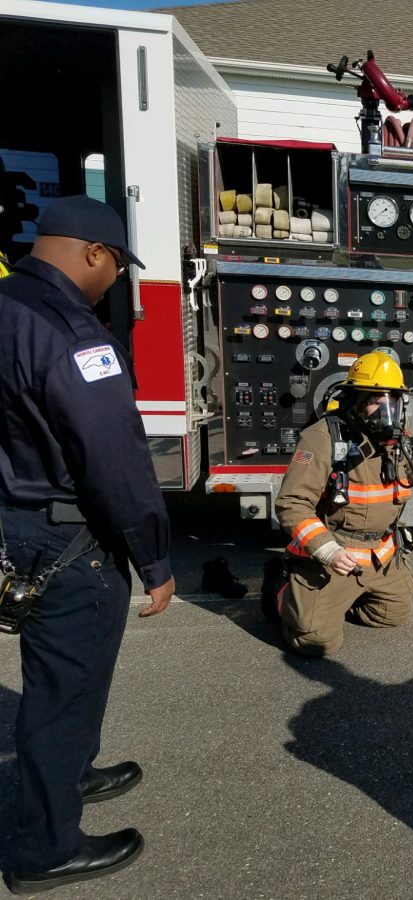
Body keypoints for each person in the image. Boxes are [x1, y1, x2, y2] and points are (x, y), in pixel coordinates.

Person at [0, 195, 175, 893]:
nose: (116, 281)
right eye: (117, 267)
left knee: (60, 686)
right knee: (62, 696)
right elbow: (115, 458)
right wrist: (154, 558)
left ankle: (72, 774)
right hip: (70, 540)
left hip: (18, 525)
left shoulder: (8, 305)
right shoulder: (74, 335)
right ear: (93, 254)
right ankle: (45, 849)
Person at [274, 350, 413, 657]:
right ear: (355, 400)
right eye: (375, 399)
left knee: (393, 616)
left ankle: (340, 599)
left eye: (392, 399)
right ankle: (284, 596)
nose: (386, 408)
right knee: (316, 643)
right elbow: (292, 503)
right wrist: (327, 551)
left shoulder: (403, 441)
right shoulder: (323, 438)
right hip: (337, 553)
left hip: (380, 555)